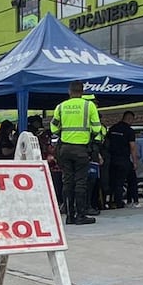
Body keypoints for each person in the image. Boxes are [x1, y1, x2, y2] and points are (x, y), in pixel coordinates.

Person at [50, 80, 103, 225]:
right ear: (82, 91)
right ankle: (81, 215)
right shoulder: (89, 105)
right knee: (81, 182)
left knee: (67, 181)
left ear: (69, 91)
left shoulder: (60, 107)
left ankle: (69, 216)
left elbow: (53, 128)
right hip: (81, 149)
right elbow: (97, 128)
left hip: (64, 149)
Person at [106, 110, 137, 209]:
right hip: (124, 160)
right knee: (127, 180)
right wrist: (135, 162)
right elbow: (132, 147)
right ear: (130, 119)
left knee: (113, 181)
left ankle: (112, 201)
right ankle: (125, 201)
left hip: (112, 159)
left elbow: (107, 143)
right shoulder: (129, 131)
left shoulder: (112, 128)